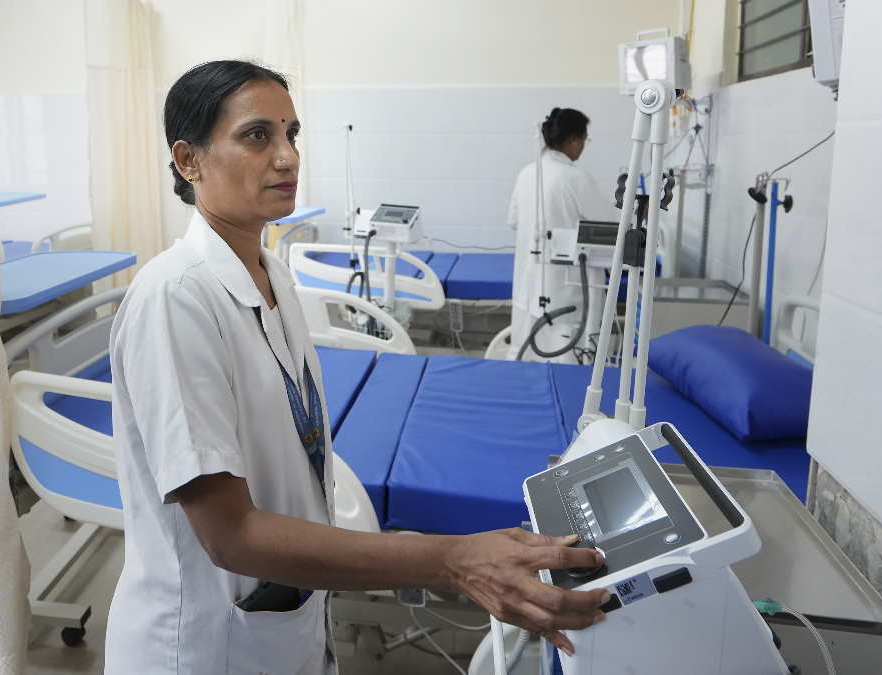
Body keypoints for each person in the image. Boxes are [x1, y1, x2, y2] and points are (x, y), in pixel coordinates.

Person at [106, 61, 608, 674]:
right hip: (203, 646)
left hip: (280, 622)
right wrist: (452, 561)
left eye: (292, 134)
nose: (288, 157)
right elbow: (229, 535)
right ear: (189, 161)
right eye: (257, 135)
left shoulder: (273, 275)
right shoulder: (174, 298)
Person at [508, 108, 618, 362]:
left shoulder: (527, 173)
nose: (583, 147)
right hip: (568, 291)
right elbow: (610, 227)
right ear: (573, 140)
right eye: (584, 140)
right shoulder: (575, 178)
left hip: (529, 284)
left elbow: (513, 221)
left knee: (527, 358)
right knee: (566, 360)